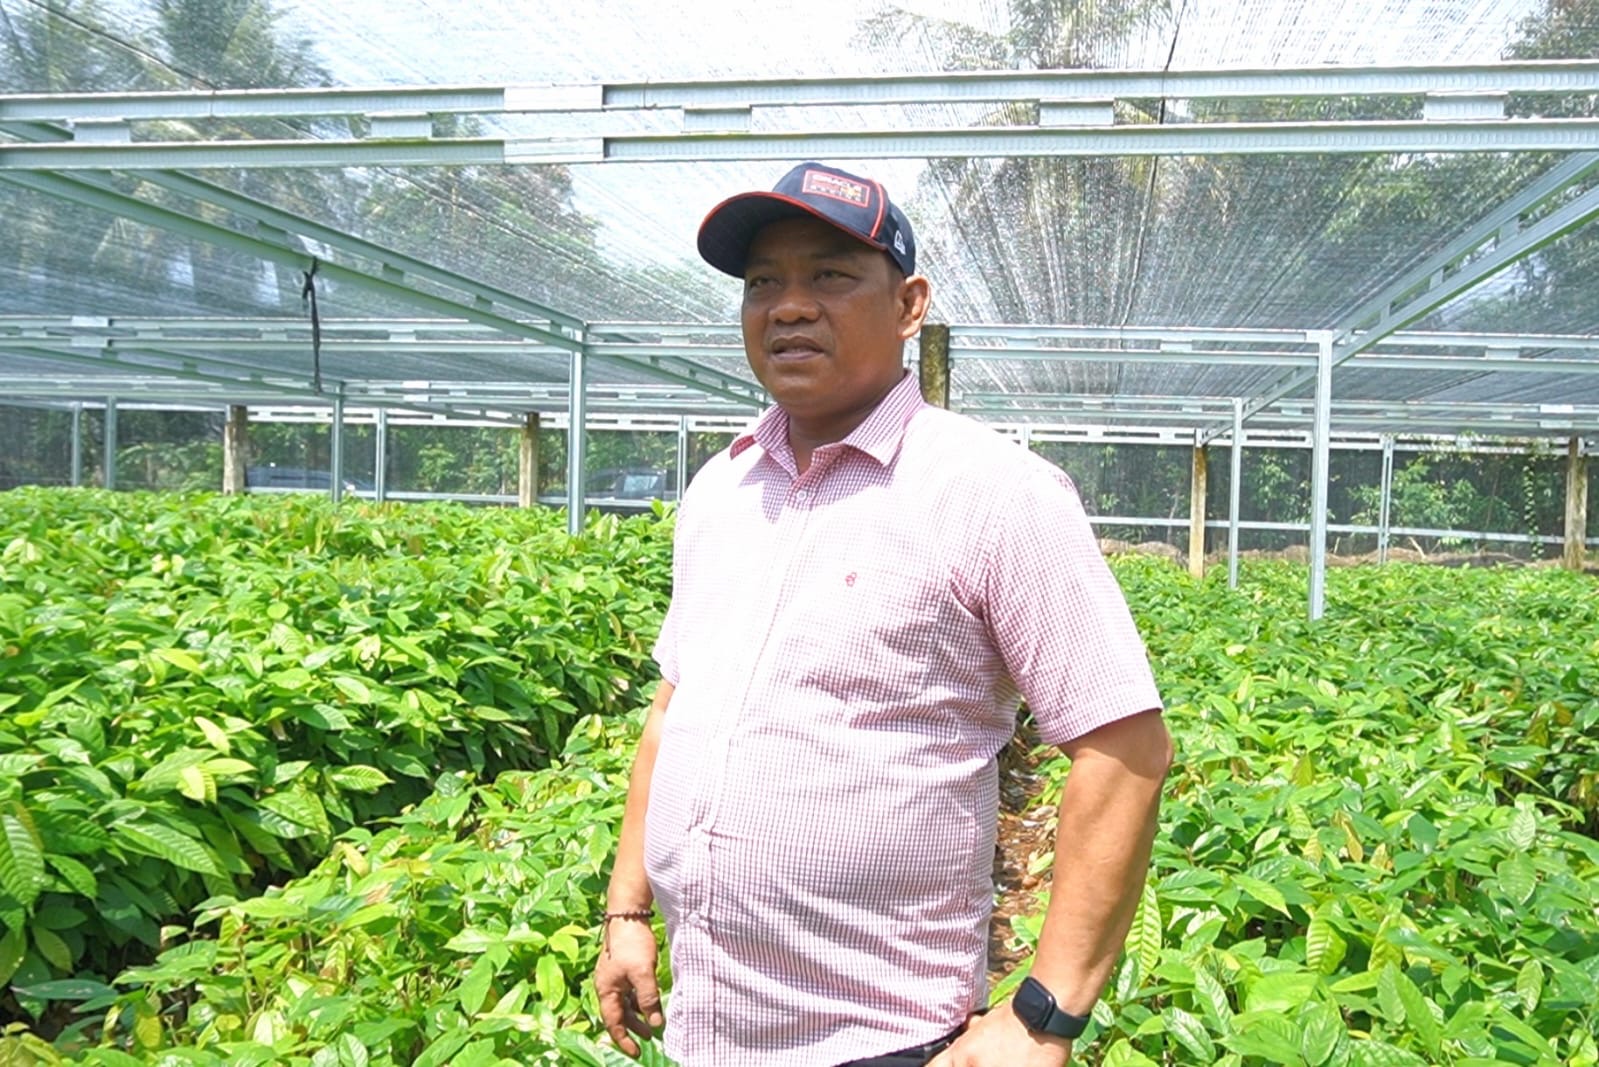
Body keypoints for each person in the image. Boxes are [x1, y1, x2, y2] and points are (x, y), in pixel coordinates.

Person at [593, 162, 1171, 1067]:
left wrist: (1043, 1015)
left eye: (828, 275)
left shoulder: (992, 492)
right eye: (762, 283)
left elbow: (1124, 746)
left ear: (909, 305)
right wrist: (628, 910)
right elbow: (674, 710)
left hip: (883, 1037)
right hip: (708, 1026)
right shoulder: (719, 489)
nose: (789, 306)